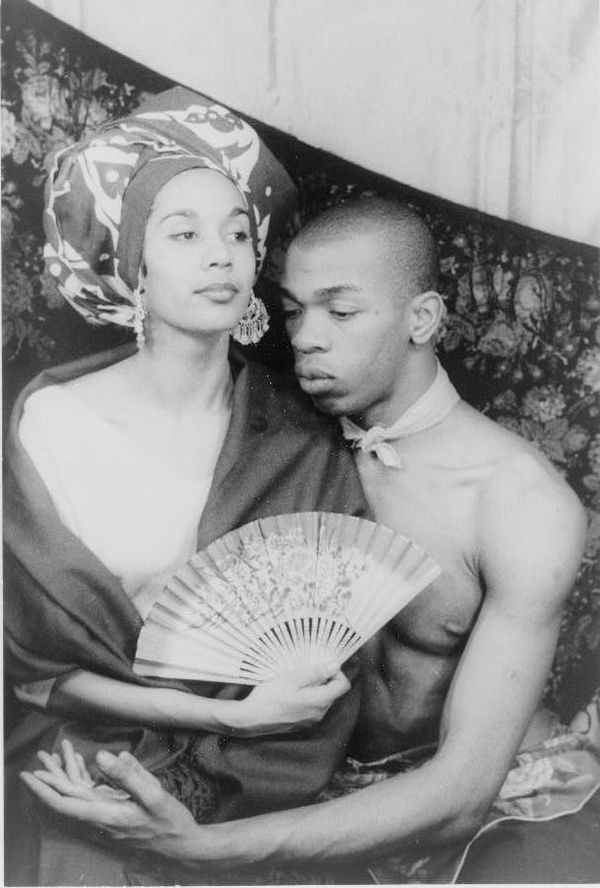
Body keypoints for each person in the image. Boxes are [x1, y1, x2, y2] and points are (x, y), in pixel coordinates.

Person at [22, 198, 600, 884]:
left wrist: (195, 848)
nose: (306, 338)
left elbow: (461, 793)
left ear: (423, 319)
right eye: (294, 312)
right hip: (310, 781)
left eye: (341, 311)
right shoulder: (277, 439)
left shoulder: (519, 502)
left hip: (491, 800)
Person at [4, 88, 369, 886]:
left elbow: (332, 649)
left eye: (239, 233)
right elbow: (39, 670)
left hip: (258, 765)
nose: (222, 255)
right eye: (185, 233)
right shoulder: (53, 423)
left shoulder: (299, 438)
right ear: (133, 264)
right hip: (83, 746)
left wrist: (248, 723)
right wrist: (221, 711)